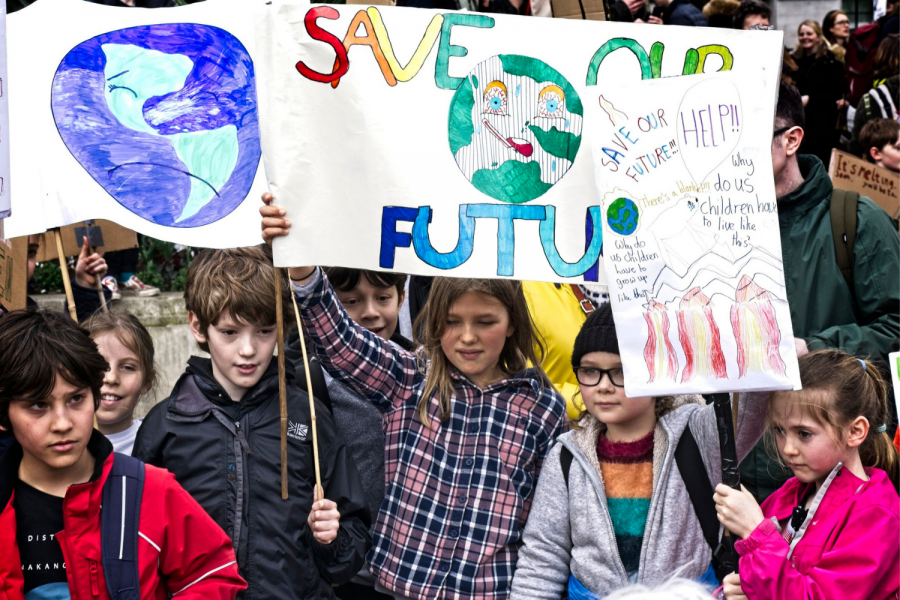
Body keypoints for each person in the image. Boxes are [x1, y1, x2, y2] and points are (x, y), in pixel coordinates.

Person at [261, 194, 568, 599]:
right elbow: (340, 340)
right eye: (452, 322)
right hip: (399, 588)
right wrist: (301, 264)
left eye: (486, 321)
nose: (468, 336)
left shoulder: (542, 408)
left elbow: (547, 527)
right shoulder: (411, 378)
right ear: (435, 323)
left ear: (513, 323)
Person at [132, 247, 371, 599]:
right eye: (230, 332)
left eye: (263, 331)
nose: (248, 350)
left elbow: (350, 546)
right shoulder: (164, 427)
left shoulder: (309, 417)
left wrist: (331, 538)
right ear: (198, 326)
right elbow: (140, 546)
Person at [510, 304, 769, 598]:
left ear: (654, 373)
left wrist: (766, 341)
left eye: (621, 372)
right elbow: (542, 557)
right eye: (590, 371)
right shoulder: (566, 456)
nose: (603, 386)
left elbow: (751, 405)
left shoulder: (696, 436)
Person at [0, 309, 246, 599]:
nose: (63, 423)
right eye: (38, 405)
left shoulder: (152, 491)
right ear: (5, 414)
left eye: (76, 398)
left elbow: (212, 575)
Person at [740, 82, 900, 502]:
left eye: (745, 133)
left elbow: (896, 328)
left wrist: (814, 348)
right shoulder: (710, 230)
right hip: (740, 467)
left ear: (791, 139)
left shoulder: (856, 220)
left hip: (837, 471)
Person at [715, 350, 900, 599]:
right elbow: (777, 578)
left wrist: (754, 532)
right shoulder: (789, 494)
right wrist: (747, 587)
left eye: (804, 434)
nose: (788, 449)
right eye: (780, 430)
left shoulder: (876, 514)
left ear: (855, 431)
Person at [310, 267, 414, 600]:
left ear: (401, 297)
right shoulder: (313, 379)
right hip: (344, 571)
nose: (370, 312)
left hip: (407, 571)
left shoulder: (424, 372)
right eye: (352, 301)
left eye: (383, 298)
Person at [84, 311, 158, 455]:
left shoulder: (161, 448)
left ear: (147, 381)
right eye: (98, 364)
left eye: (127, 367)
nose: (111, 378)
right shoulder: (56, 445)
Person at [791, 21, 849, 167]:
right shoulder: (793, 63)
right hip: (801, 123)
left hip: (824, 125)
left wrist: (810, 99)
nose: (805, 37)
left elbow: (836, 94)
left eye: (809, 33)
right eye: (801, 34)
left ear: (818, 37)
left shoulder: (831, 62)